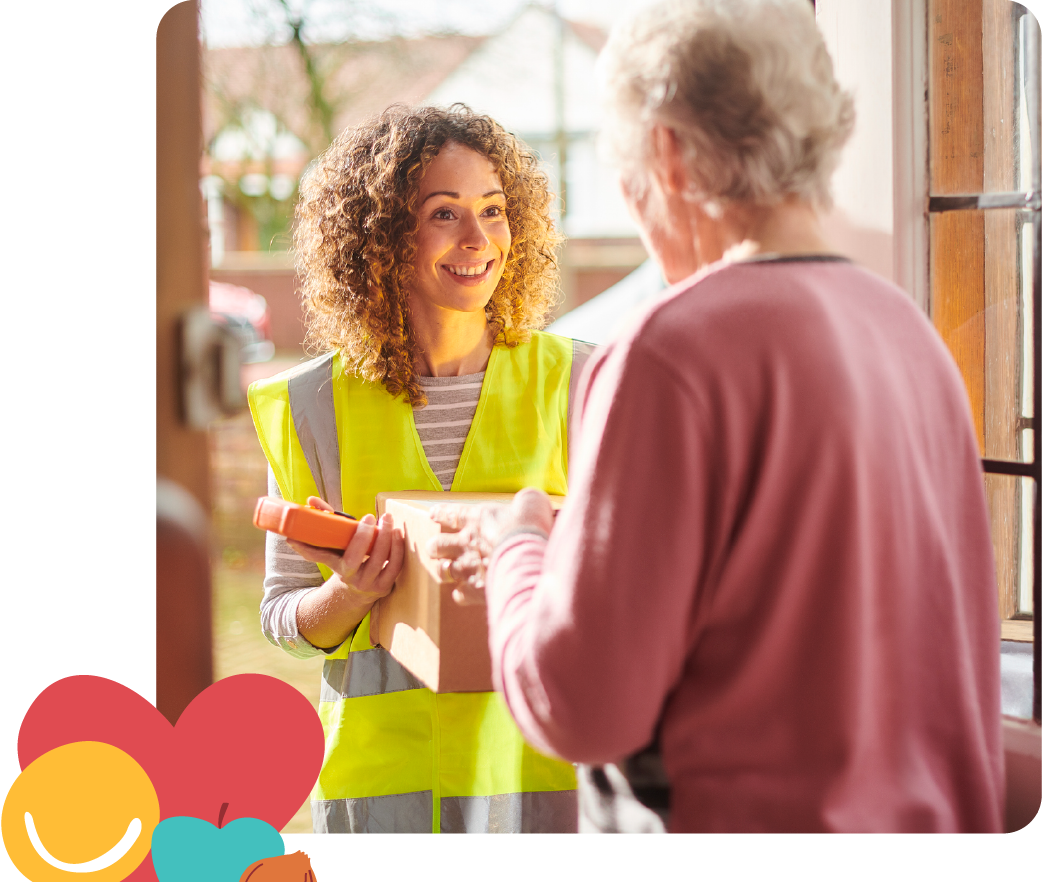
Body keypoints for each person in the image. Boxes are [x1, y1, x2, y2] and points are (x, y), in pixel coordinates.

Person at [431, 0, 1004, 833]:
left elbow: (578, 706)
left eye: (624, 180)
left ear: (665, 154)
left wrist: (518, 543)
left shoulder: (669, 353)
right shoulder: (908, 333)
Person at [248, 104, 592, 834]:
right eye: (445, 214)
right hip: (382, 801)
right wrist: (347, 594)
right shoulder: (311, 403)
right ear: (381, 234)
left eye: (493, 211)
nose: (478, 240)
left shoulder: (579, 382)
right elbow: (283, 615)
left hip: (539, 783)